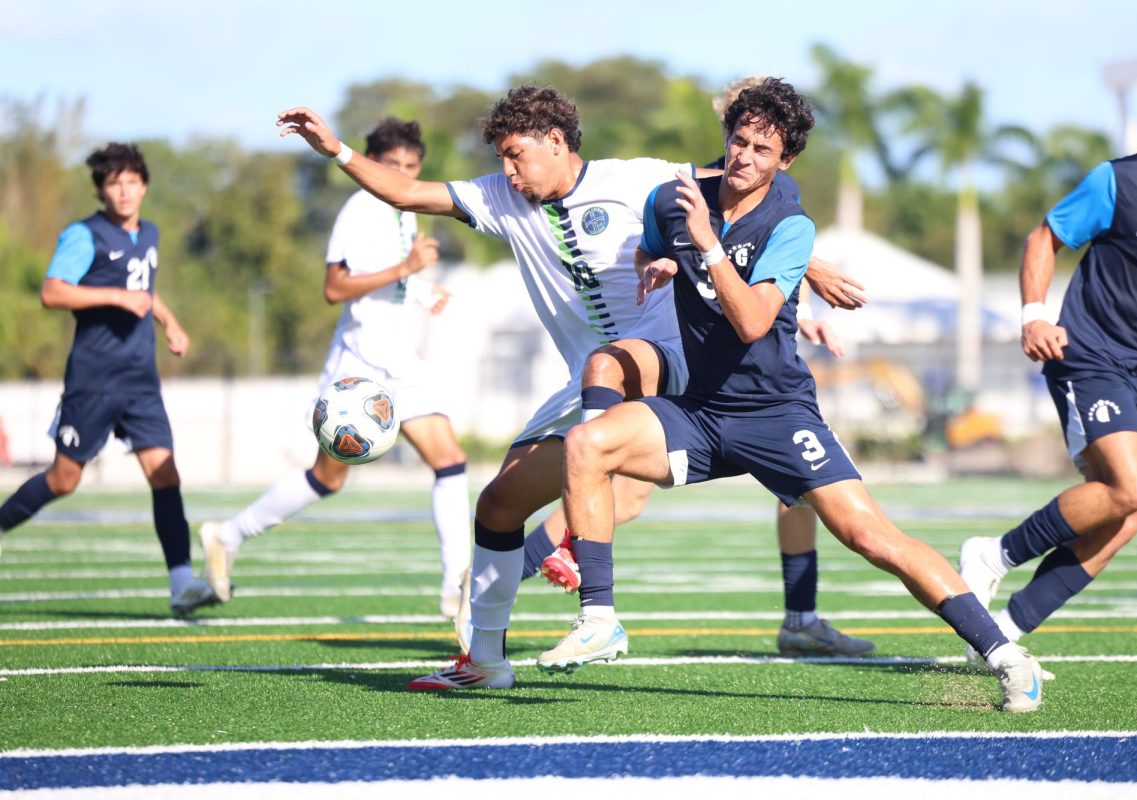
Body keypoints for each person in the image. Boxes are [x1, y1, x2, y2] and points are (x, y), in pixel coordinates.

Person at [279, 86, 862, 692]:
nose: (506, 169)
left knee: (610, 397)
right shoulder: (501, 197)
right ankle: (485, 661)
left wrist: (807, 268)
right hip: (589, 379)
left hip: (670, 357)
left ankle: (606, 594)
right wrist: (337, 150)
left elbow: (762, 187)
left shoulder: (637, 179)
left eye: (515, 155)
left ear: (555, 142)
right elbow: (406, 191)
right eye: (502, 157)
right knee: (498, 505)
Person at [539, 78, 1042, 712]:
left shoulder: (791, 224)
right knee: (586, 443)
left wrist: (707, 245)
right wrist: (657, 262)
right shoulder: (672, 201)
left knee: (870, 536)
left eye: (762, 150)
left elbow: (752, 322)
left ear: (786, 162)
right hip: (701, 412)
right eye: (738, 141)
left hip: (777, 415)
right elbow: (650, 243)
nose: (744, 157)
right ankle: (599, 619)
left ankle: (1006, 655)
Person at [521, 76, 873, 660]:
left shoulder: (761, 182)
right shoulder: (705, 181)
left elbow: (764, 247)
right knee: (619, 484)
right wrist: (814, 267)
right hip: (698, 356)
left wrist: (806, 288)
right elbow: (722, 240)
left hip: (751, 355)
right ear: (733, 124)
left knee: (798, 497)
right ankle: (520, 566)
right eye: (743, 127)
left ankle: (801, 617)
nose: (749, 148)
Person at [957, 63, 1137, 662]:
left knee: (1121, 517)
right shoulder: (1124, 181)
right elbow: (1045, 236)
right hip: (1087, 353)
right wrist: (1033, 315)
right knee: (1134, 485)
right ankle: (993, 554)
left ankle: (1002, 635)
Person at [200, 118, 472, 645]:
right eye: (392, 166)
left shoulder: (407, 211)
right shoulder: (358, 208)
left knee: (451, 460)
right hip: (359, 369)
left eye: (412, 168)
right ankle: (227, 534)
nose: (403, 175)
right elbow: (335, 287)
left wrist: (422, 291)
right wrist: (406, 270)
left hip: (400, 361)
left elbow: (400, 275)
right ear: (370, 163)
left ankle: (454, 583)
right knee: (327, 479)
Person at [0, 143, 217, 616]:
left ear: (144, 185)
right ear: (101, 190)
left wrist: (170, 322)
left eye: (131, 181)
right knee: (63, 480)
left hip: (141, 381)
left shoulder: (151, 233)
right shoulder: (85, 235)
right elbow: (52, 292)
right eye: (114, 183)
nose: (124, 191)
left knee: (166, 474)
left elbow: (146, 292)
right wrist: (117, 299)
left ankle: (182, 584)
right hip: (93, 381)